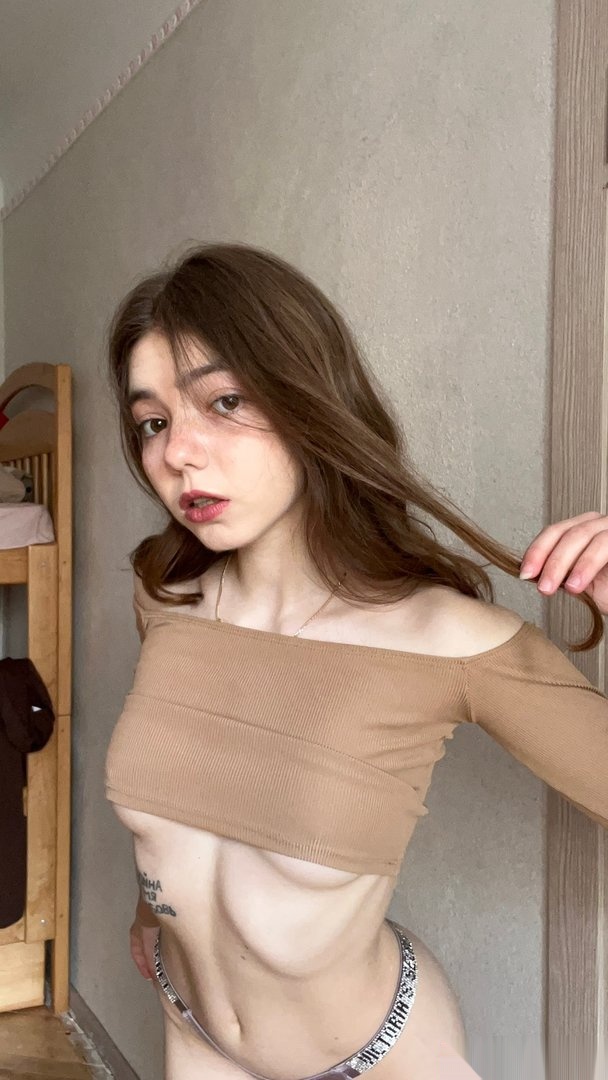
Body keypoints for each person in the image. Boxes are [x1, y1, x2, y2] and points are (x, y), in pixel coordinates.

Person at [104, 243, 608, 1080]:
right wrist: (151, 913)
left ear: (311, 400)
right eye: (153, 422)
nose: (179, 453)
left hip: (375, 1054)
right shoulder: (164, 597)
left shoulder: (451, 640)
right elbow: (184, 796)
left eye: (224, 401)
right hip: (190, 1029)